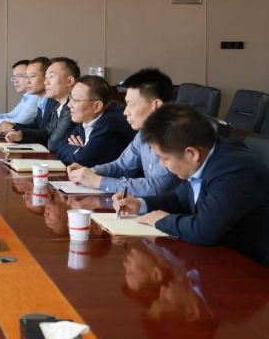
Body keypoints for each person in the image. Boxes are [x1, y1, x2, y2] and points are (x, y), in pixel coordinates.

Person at [113, 103, 269, 268]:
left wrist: (163, 220)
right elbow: (179, 199)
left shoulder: (234, 171)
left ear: (191, 153)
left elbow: (204, 230)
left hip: (250, 269)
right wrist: (140, 204)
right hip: (216, 257)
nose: (162, 165)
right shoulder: (208, 156)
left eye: (164, 158)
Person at [68, 68, 181, 195]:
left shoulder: (176, 137)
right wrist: (90, 172)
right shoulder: (143, 133)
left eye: (131, 104)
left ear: (157, 105)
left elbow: (156, 188)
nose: (125, 112)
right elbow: (121, 166)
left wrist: (99, 182)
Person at [55, 75, 135, 166]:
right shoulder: (86, 118)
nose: (69, 105)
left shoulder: (110, 125)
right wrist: (79, 151)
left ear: (97, 106)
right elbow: (60, 147)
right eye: (71, 98)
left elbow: (82, 160)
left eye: (75, 100)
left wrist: (79, 152)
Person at [5, 57, 79, 153]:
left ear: (69, 81)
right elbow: (47, 133)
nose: (46, 82)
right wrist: (22, 135)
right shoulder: (58, 106)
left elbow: (53, 144)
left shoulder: (72, 107)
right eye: (46, 77)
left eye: (51, 76)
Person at [0, 56, 54, 134]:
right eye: (26, 77)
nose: (27, 81)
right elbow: (36, 127)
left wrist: (14, 128)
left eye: (32, 76)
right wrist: (14, 127)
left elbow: (47, 135)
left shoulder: (55, 103)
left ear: (47, 77)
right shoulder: (41, 101)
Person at [0, 59, 40, 127]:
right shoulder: (27, 96)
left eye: (19, 76)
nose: (15, 81)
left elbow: (18, 122)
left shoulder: (35, 96)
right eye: (14, 77)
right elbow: (11, 115)